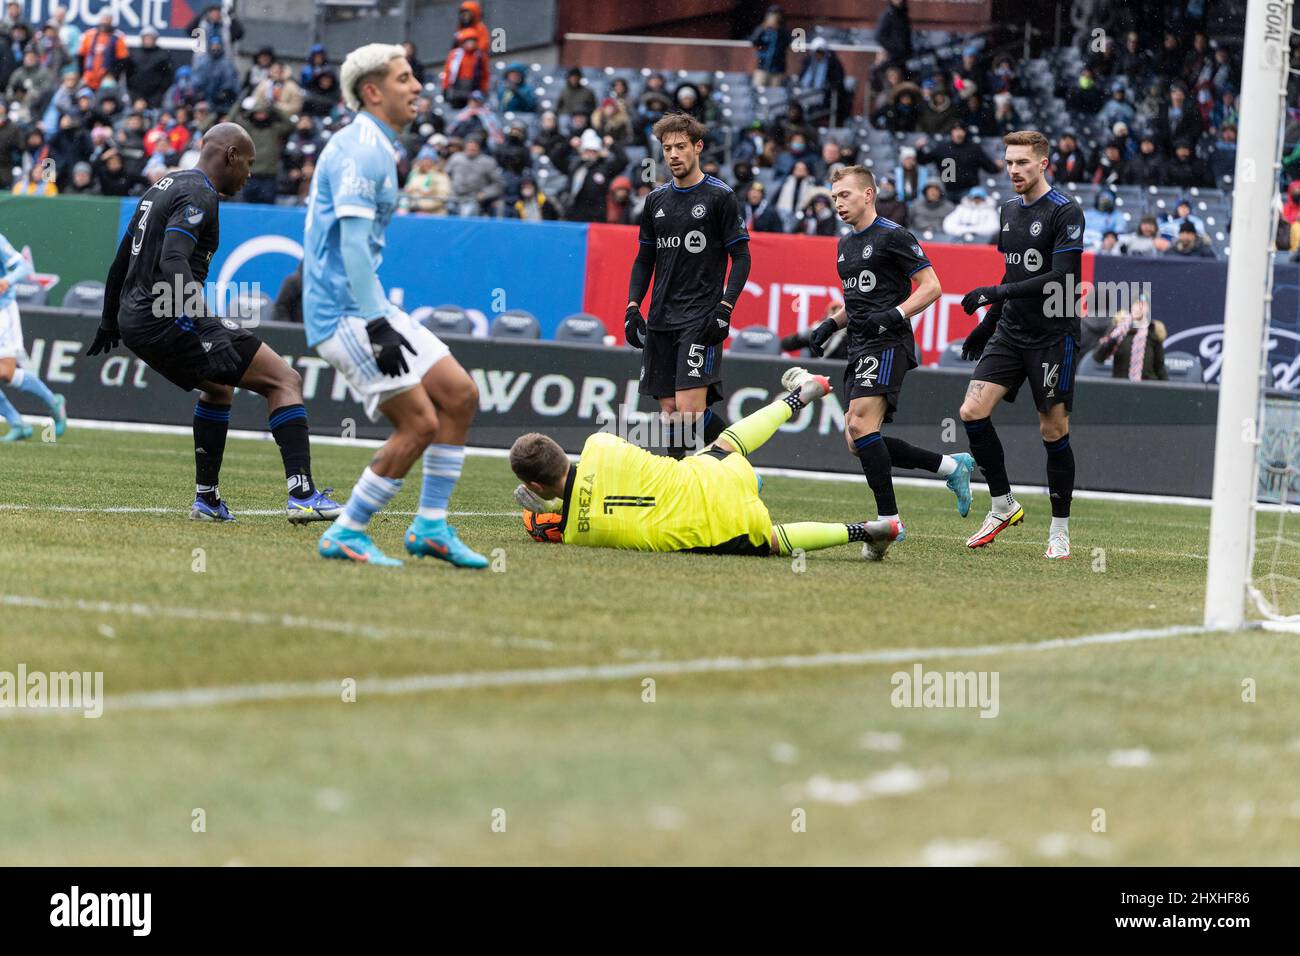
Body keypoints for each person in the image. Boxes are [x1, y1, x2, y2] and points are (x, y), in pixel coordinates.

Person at [87, 124, 341, 524]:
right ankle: (303, 495)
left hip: (136, 318)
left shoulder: (162, 186)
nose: (250, 175)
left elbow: (123, 257)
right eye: (250, 164)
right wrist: (206, 328)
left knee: (219, 389)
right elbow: (173, 261)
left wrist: (108, 319)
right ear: (230, 155)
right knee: (284, 380)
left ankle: (207, 500)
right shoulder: (200, 193)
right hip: (165, 314)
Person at [304, 43, 487, 568]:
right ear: (372, 91)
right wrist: (377, 322)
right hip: (344, 313)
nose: (417, 88)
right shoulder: (361, 149)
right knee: (420, 425)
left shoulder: (378, 145)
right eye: (405, 79)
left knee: (459, 393)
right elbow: (354, 247)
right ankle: (347, 530)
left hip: (367, 304)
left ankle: (430, 527)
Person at [510, 367, 899, 559]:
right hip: (719, 471)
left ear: (536, 487)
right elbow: (593, 485)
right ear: (561, 451)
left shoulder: (579, 535)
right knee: (725, 443)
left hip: (728, 525)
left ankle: (866, 531)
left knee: (774, 541)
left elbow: (573, 514)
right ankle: (797, 398)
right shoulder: (599, 445)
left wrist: (550, 506)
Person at [801, 165, 973, 558]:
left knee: (861, 425)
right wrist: (830, 324)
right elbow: (857, 302)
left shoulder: (894, 236)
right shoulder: (844, 246)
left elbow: (932, 288)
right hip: (859, 345)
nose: (838, 203)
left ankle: (888, 522)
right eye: (834, 197)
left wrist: (895, 315)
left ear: (868, 195)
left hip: (889, 342)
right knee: (857, 440)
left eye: (845, 195)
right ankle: (950, 466)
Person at [956, 130, 1086, 560]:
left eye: (1023, 163)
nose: (1014, 170)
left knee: (1053, 430)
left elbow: (1063, 278)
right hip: (1011, 332)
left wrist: (994, 295)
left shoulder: (1066, 212)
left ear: (1043, 163)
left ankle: (1060, 531)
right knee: (971, 411)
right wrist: (988, 325)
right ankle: (1002, 505)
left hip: (1053, 337)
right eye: (1009, 162)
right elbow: (1013, 276)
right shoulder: (1009, 210)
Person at [624, 113, 750, 459]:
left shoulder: (720, 196)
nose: (673, 154)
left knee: (688, 411)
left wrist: (726, 307)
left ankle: (706, 476)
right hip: (660, 317)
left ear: (698, 147)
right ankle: (728, 463)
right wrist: (633, 306)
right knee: (669, 411)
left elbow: (741, 257)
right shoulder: (656, 201)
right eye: (667, 148)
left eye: (680, 146)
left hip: (700, 317)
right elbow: (643, 259)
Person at [0, 230, 67, 441]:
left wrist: (7, 281)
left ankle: (51, 401)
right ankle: (18, 423)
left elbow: (24, 267)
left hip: (3, 312)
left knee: (6, 373)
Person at [1093, 299, 1168, 381]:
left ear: (1148, 309)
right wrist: (1116, 335)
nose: (1140, 307)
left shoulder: (1153, 331)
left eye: (1143, 305)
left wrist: (1167, 391)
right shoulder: (1118, 329)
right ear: (1131, 307)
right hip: (1121, 387)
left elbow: (1160, 368)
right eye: (1136, 304)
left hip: (1147, 388)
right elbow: (1098, 357)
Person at [749, 5, 792, 89]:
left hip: (778, 69)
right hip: (762, 66)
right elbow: (753, 40)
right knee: (758, 91)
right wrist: (763, 28)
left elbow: (789, 42)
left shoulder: (783, 31)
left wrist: (778, 29)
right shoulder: (763, 29)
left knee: (774, 94)